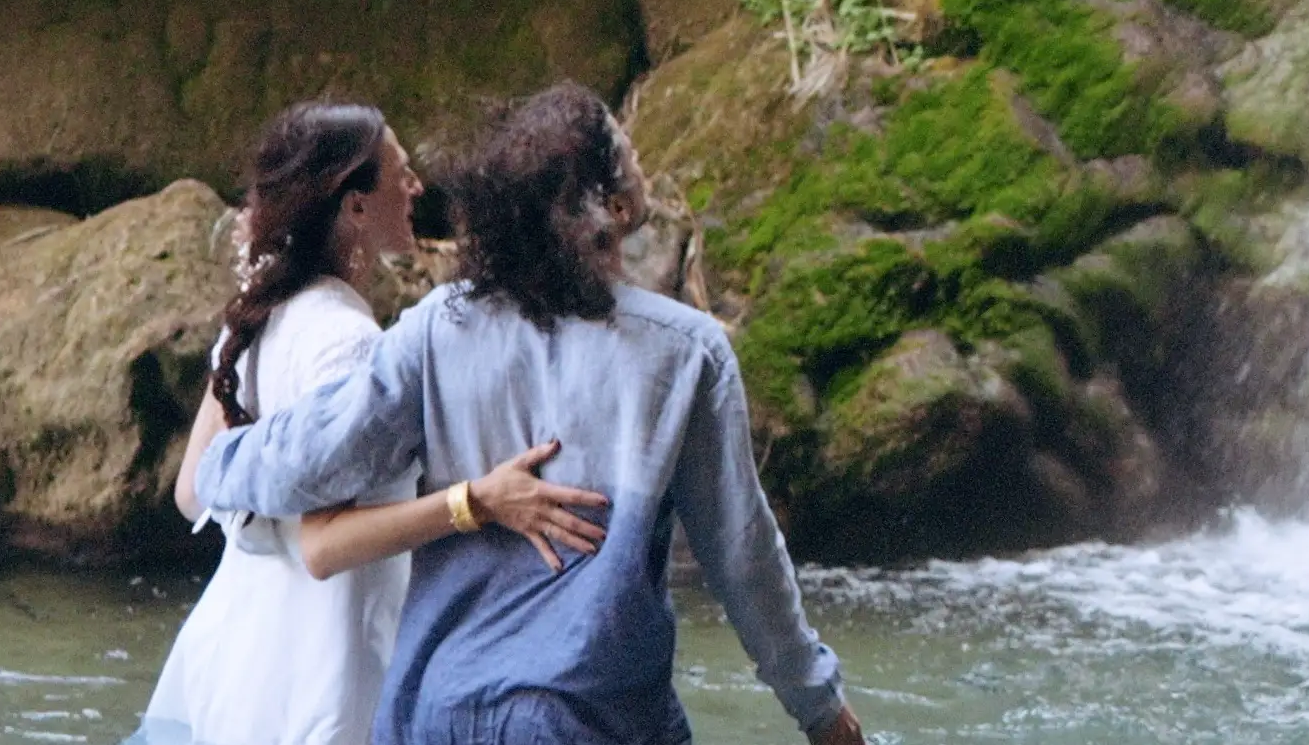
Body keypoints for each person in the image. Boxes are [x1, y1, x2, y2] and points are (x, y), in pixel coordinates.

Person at [198, 84, 864, 745]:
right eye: (627, 149)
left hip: (434, 708)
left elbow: (308, 455)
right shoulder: (686, 352)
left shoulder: (439, 327)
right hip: (585, 714)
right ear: (617, 204)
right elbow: (742, 554)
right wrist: (820, 705)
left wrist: (220, 462)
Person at [138, 101, 604, 745]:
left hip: (231, 651)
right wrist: (479, 502)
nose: (417, 187)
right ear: (355, 206)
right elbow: (324, 546)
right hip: (319, 660)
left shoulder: (254, 319)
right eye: (401, 173)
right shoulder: (347, 344)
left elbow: (194, 491)